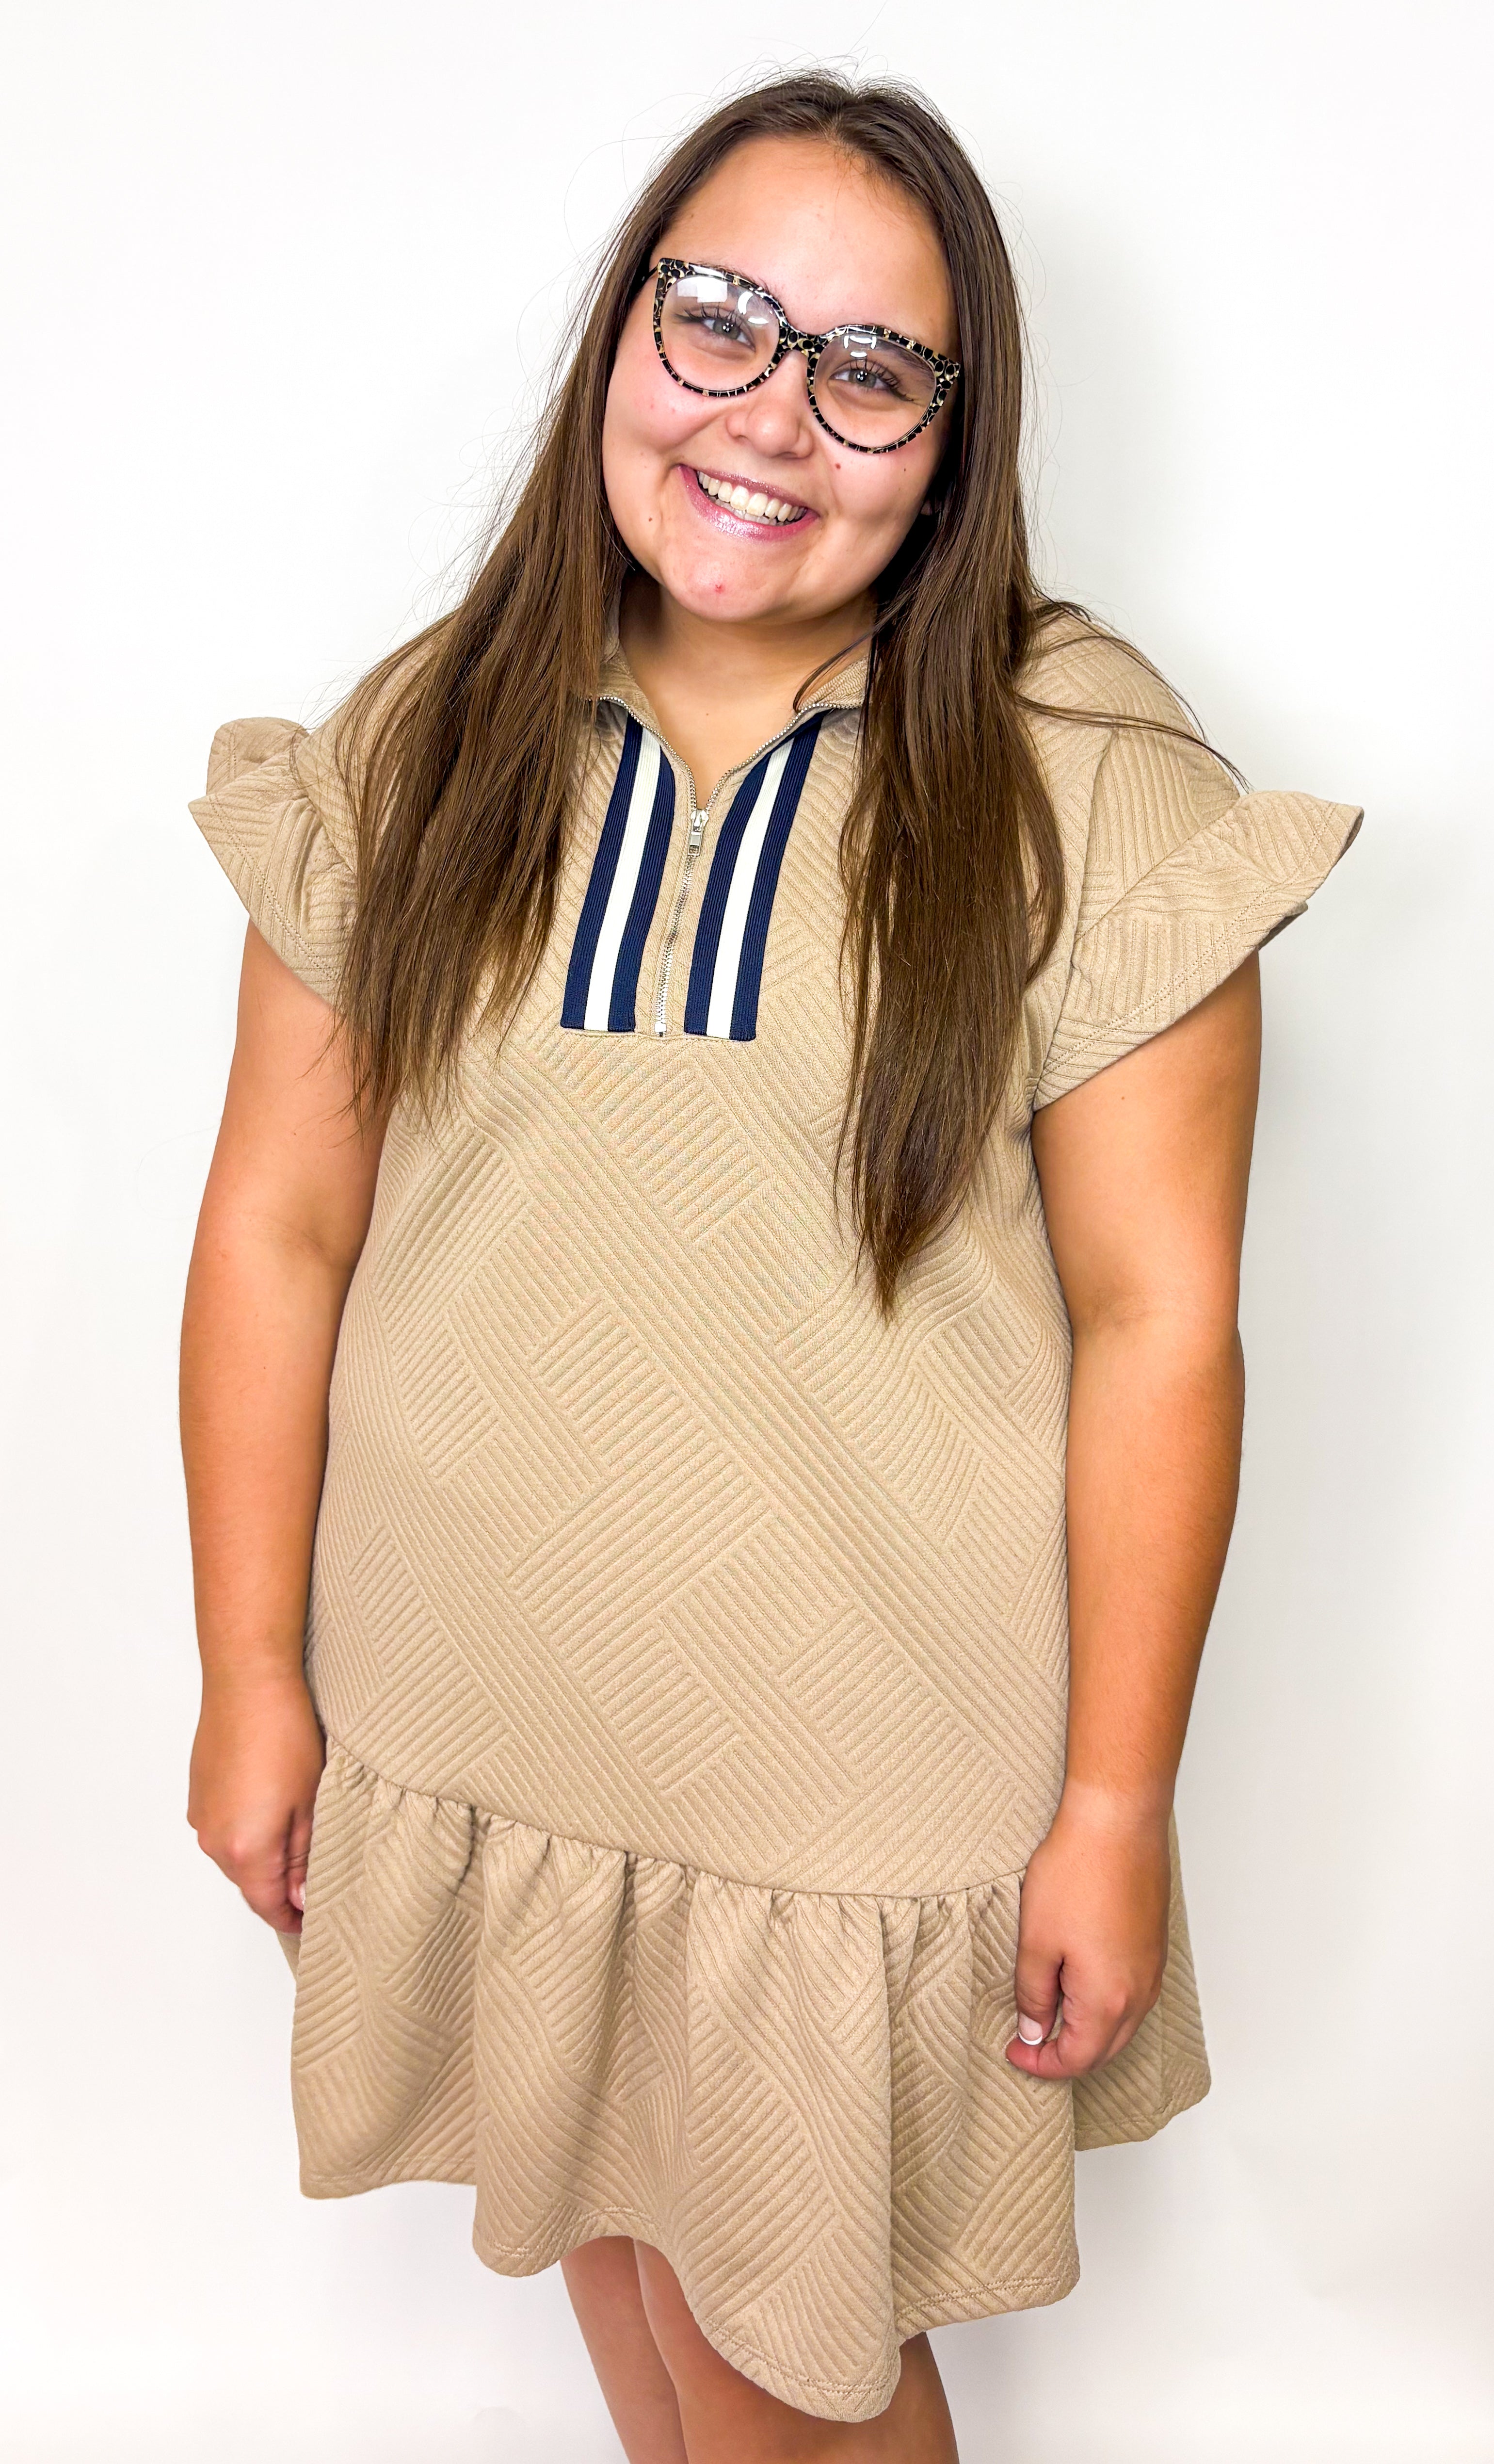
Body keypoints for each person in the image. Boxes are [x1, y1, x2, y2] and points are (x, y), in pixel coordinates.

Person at [180, 70, 1360, 2464]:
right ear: (624, 327)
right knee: (637, 2300)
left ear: (954, 441)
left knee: (786, 2366)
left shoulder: (1087, 780)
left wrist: (1113, 1804)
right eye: (717, 317)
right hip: (488, 1699)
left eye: (870, 368)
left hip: (843, 1757)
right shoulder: (430, 733)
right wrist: (254, 1672)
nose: (769, 414)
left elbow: (1159, 1330)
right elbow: (281, 1226)